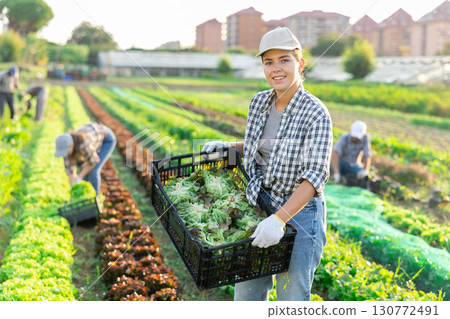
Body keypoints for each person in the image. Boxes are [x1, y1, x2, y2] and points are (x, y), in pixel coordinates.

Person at [202, 27, 333, 301]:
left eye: (284, 60)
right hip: (259, 206)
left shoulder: (316, 113)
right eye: (268, 62)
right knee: (247, 294)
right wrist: (228, 148)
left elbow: (314, 177)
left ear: (300, 63)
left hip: (299, 216)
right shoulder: (259, 102)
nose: (276, 69)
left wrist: (279, 220)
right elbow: (258, 149)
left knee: (291, 298)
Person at [54, 122, 117, 195]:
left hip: (106, 138)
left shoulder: (84, 144)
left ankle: (95, 199)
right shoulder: (66, 152)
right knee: (85, 170)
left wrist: (79, 177)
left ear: (72, 145)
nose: (65, 154)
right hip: (93, 137)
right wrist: (74, 188)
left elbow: (94, 161)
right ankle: (86, 196)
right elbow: (70, 172)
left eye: (66, 151)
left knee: (93, 170)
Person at [331, 120, 371, 185]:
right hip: (341, 162)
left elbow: (367, 155)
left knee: (361, 175)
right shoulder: (344, 137)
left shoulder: (365, 138)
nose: (355, 138)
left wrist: (365, 171)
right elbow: (335, 152)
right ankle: (338, 177)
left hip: (353, 165)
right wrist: (336, 173)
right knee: (333, 168)